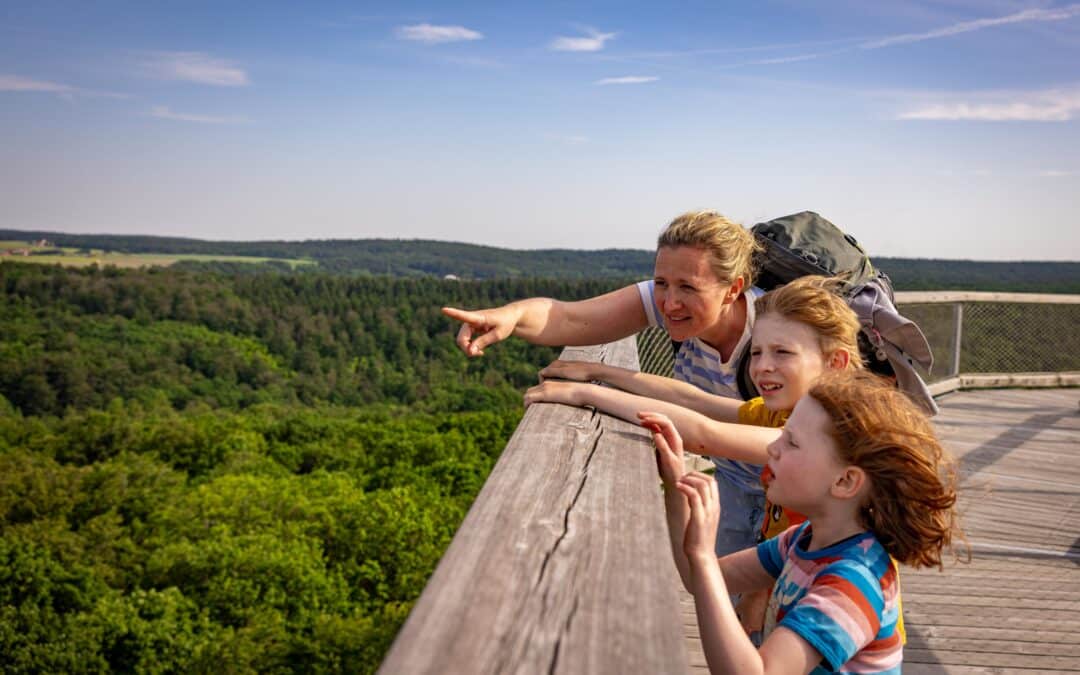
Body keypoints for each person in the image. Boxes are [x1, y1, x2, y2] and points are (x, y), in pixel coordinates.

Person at [526, 276, 865, 636]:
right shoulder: (788, 413)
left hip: (835, 610)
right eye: (756, 352)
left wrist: (585, 395)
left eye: (782, 352)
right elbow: (692, 399)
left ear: (835, 363)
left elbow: (705, 433)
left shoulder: (828, 437)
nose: (762, 366)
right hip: (794, 580)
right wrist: (598, 372)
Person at [443, 210, 765, 557]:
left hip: (801, 497)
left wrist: (589, 388)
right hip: (735, 486)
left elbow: (715, 426)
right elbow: (567, 318)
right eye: (661, 283)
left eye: (688, 287)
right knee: (730, 596)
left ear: (732, 290)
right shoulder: (674, 303)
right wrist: (511, 315)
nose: (670, 302)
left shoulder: (779, 332)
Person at [651, 370, 964, 674]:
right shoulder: (802, 539)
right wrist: (676, 491)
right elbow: (699, 580)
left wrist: (704, 555)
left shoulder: (855, 582)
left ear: (844, 481)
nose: (773, 448)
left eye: (792, 442)